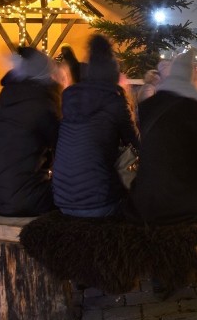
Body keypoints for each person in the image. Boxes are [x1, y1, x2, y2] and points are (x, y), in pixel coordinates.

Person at [128, 50, 197, 224]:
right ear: (191, 78)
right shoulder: (196, 108)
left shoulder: (147, 106)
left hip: (146, 201)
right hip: (183, 204)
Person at [52, 34, 139, 218]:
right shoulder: (115, 100)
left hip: (62, 200)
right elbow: (135, 142)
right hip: (98, 203)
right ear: (113, 73)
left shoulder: (69, 96)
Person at [0, 46, 61, 217]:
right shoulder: (41, 102)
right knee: (82, 194)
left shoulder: (8, 96)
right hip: (27, 200)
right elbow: (63, 146)